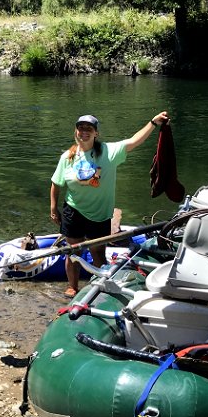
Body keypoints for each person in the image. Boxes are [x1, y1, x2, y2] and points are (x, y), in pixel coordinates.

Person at [50, 111, 169, 297]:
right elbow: (56, 184)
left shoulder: (109, 152)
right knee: (73, 253)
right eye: (81, 128)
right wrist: (53, 208)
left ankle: (98, 288)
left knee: (98, 253)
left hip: (100, 214)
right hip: (73, 211)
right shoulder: (67, 157)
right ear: (76, 132)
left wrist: (153, 123)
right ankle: (73, 287)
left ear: (96, 133)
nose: (84, 132)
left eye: (89, 129)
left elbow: (134, 141)